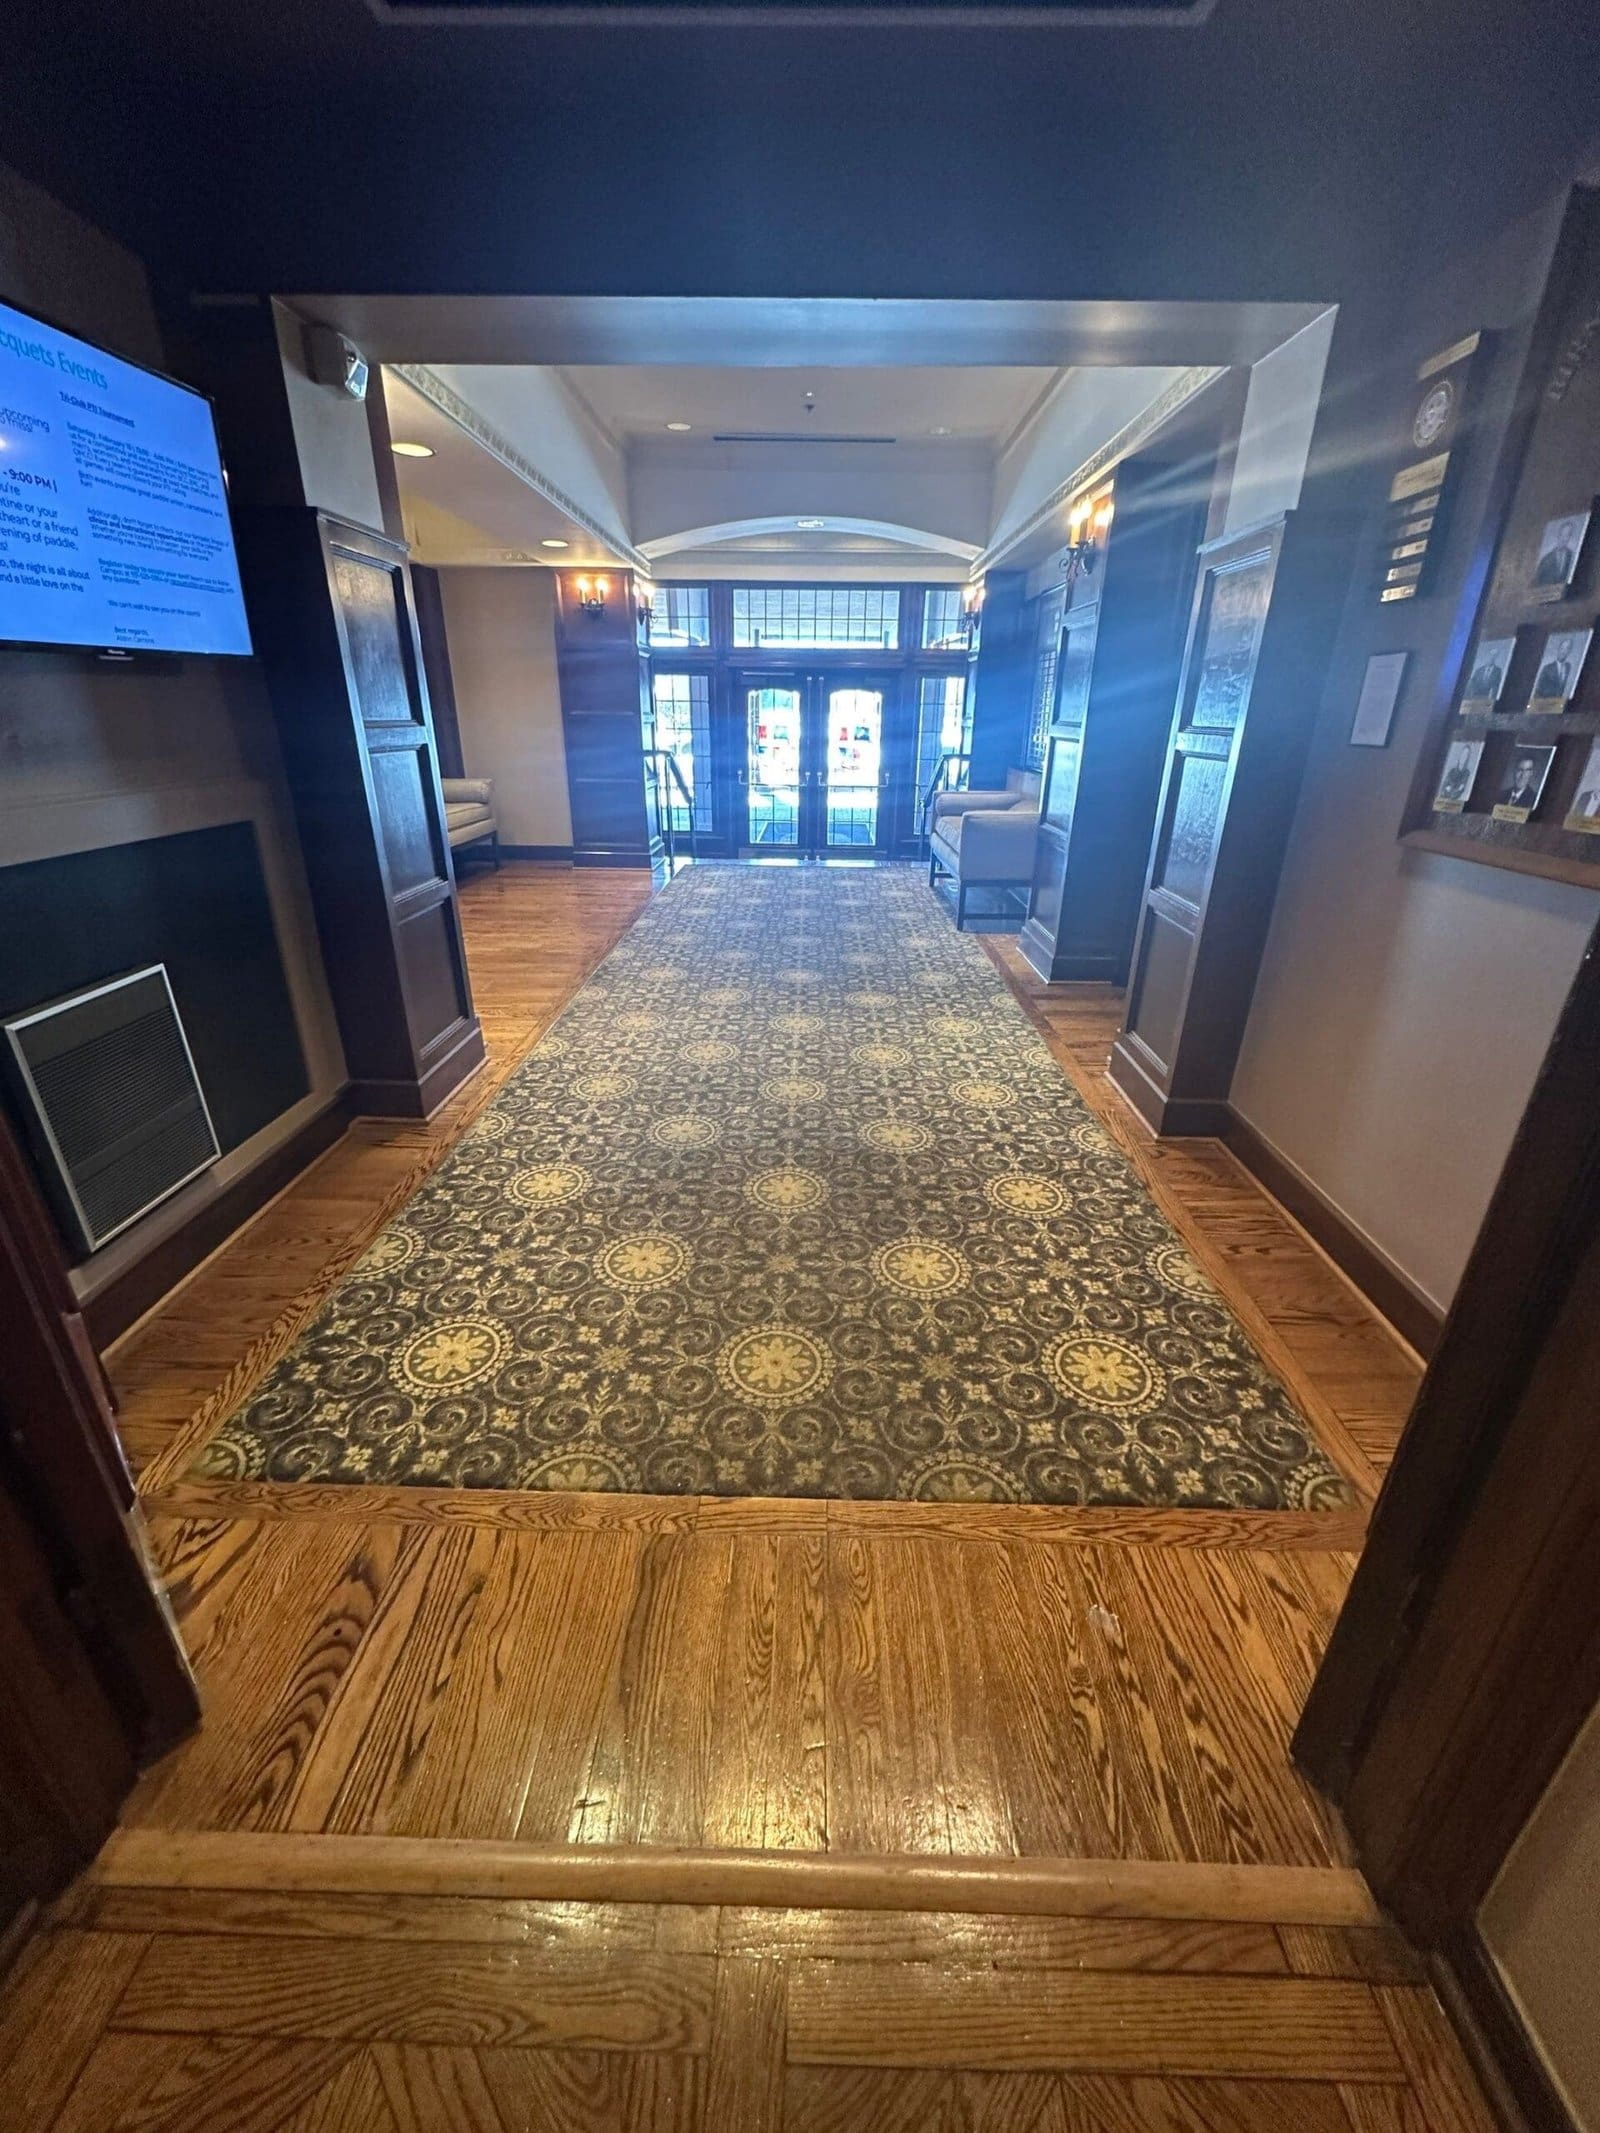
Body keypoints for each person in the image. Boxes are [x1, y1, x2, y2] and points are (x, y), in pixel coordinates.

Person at [1535, 519, 1584, 589]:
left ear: (1570, 537)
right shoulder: (1546, 559)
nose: (1564, 539)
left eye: (1567, 535)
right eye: (1562, 535)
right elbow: (1538, 582)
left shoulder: (1572, 556)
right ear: (1558, 535)